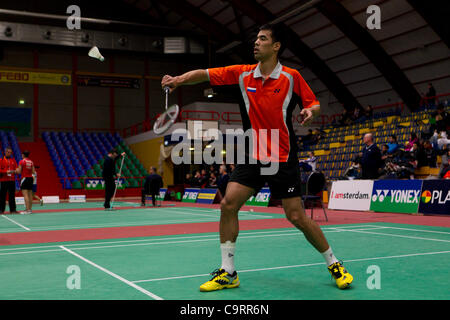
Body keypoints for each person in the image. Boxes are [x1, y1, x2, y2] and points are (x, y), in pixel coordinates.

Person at [161, 23, 353, 292]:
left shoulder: (290, 77)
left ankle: (334, 263)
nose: (256, 43)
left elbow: (314, 103)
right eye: (256, 39)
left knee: (296, 216)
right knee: (228, 204)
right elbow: (204, 74)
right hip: (252, 154)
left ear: (276, 47)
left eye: (263, 39)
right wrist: (178, 80)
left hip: (282, 155)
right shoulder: (242, 74)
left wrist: (312, 112)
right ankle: (228, 271)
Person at [0, 147, 18, 214]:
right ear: (5, 152)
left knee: (12, 195)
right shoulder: (1, 160)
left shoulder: (13, 160)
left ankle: (13, 210)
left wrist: (16, 171)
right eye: (8, 152)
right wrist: (6, 172)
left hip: (12, 180)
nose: (9, 153)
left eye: (10, 152)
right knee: (2, 196)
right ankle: (1, 210)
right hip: (4, 180)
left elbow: (16, 169)